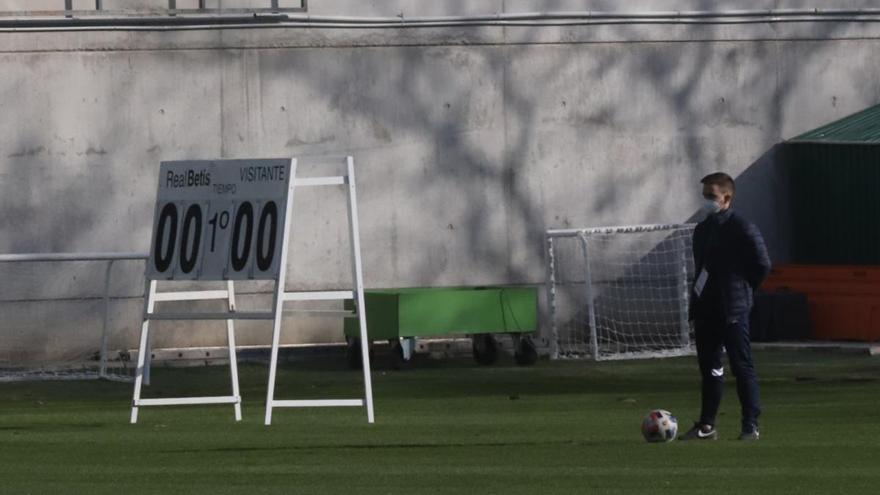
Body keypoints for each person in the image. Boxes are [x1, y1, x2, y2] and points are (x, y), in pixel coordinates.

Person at [679, 172, 771, 441]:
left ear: (727, 198)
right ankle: (707, 426)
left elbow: (762, 264)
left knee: (742, 367)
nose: (706, 201)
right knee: (710, 368)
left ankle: (750, 424)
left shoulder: (742, 227)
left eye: (711, 196)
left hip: (733, 309)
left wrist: (743, 290)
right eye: (705, 196)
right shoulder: (703, 229)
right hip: (706, 309)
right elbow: (701, 269)